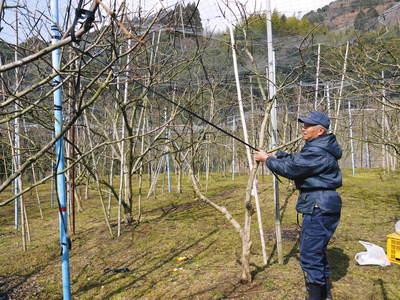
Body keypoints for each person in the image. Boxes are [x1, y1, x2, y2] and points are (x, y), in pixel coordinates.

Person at [255, 111, 342, 300]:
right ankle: (324, 295)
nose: (303, 128)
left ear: (320, 131)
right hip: (321, 203)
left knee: (310, 255)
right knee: (316, 252)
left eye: (307, 126)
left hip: (319, 206)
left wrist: (267, 160)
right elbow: (298, 161)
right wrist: (279, 155)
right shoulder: (318, 147)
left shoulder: (318, 151)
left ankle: (316, 296)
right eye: (303, 125)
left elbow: (293, 169)